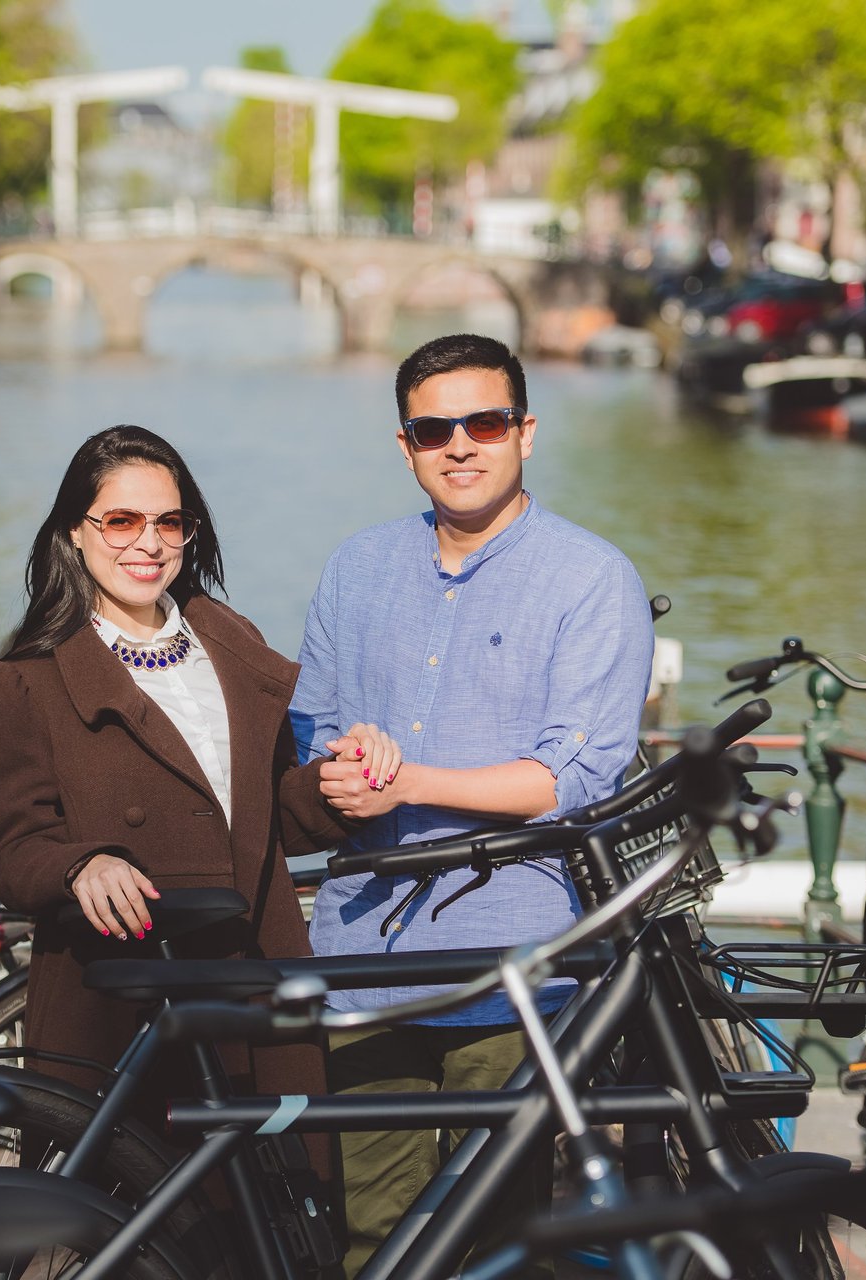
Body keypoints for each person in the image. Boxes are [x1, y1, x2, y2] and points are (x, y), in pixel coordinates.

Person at [290, 333, 655, 1275]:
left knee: (492, 1240)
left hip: (511, 964)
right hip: (364, 958)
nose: (460, 445)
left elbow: (574, 777)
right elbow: (310, 729)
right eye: (433, 429)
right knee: (372, 1241)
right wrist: (341, 768)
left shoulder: (589, 578)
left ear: (525, 432)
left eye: (485, 423)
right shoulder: (356, 567)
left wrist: (412, 782)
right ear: (405, 446)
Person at [0, 424, 401, 1174]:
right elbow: (13, 850)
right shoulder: (27, 678)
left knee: (277, 1214)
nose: (149, 543)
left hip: (255, 975)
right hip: (126, 995)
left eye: (169, 522)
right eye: (121, 520)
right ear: (75, 530)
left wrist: (339, 786)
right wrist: (82, 865)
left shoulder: (230, 643)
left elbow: (268, 812)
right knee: (128, 1217)